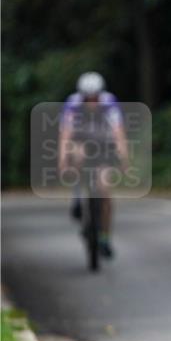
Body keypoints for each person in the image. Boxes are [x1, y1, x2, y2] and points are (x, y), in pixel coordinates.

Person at [58, 72, 129, 258]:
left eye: (95, 98)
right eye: (87, 98)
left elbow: (118, 133)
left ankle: (105, 237)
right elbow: (66, 135)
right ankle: (77, 197)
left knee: (105, 191)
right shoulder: (73, 104)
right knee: (78, 153)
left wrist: (124, 158)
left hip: (103, 146)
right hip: (81, 144)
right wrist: (63, 160)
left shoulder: (110, 103)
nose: (91, 102)